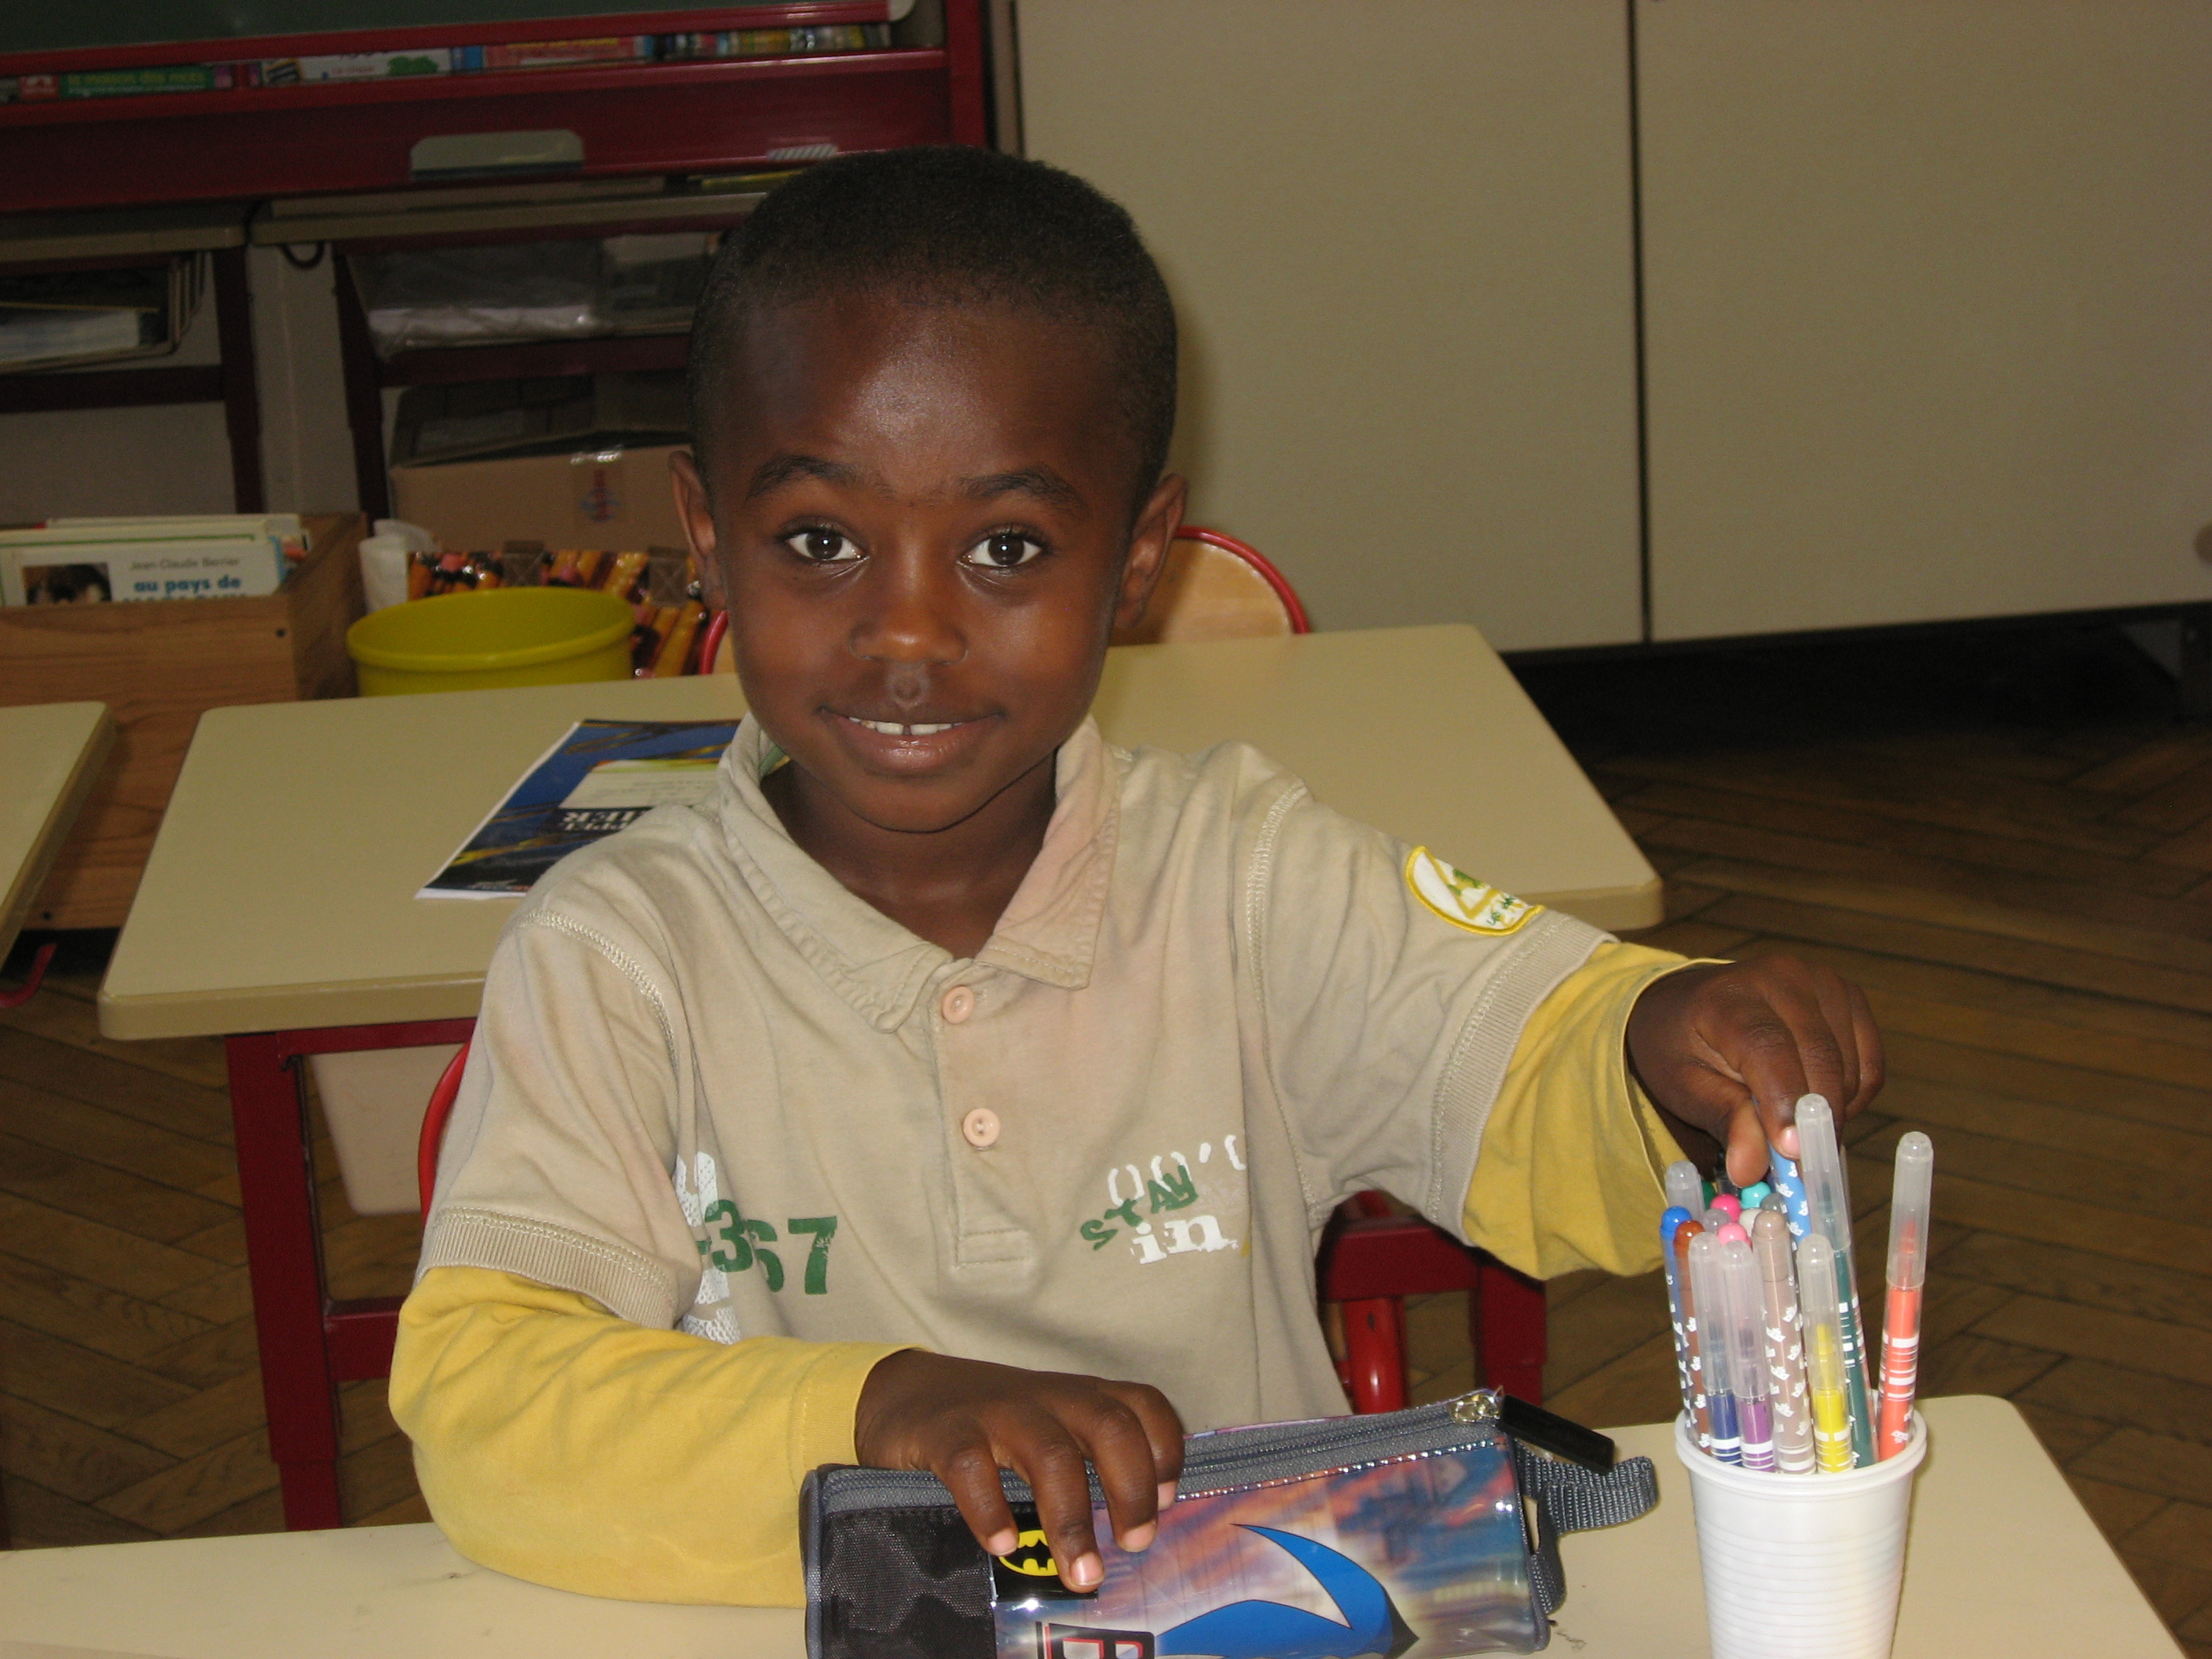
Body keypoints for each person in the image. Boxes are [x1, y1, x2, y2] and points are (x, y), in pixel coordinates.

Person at [390, 147, 1882, 1606]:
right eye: (822, 539)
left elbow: (1516, 1058)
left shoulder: (1248, 879)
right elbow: (488, 1410)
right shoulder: (618, 954)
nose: (907, 633)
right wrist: (878, 1408)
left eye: (1006, 547)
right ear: (709, 536)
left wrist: (1657, 1043)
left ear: (1140, 554)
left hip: (1262, 1613)